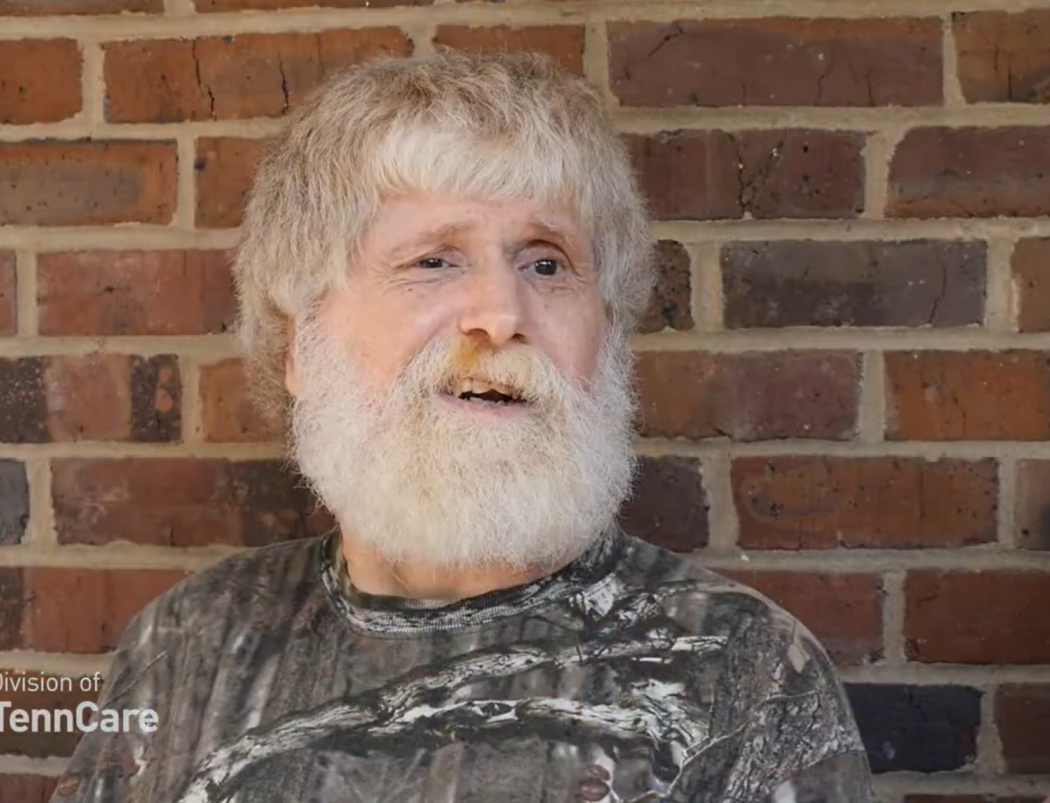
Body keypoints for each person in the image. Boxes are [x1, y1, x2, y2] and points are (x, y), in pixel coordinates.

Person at [51, 49, 876, 803]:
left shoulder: (746, 673)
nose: (500, 314)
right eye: (434, 260)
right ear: (299, 340)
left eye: (546, 263)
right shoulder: (189, 644)